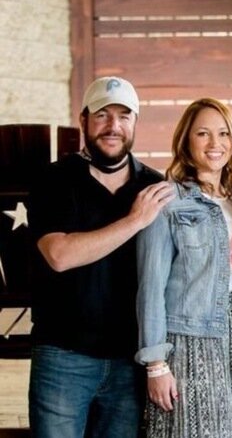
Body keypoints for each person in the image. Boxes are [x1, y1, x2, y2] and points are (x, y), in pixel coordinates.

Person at [26, 76, 174, 438]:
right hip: (63, 357)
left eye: (124, 116)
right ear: (84, 120)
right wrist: (135, 220)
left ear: (135, 122)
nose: (113, 126)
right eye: (102, 115)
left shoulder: (153, 186)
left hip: (129, 362)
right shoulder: (55, 179)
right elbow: (59, 254)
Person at [135, 98, 232, 438]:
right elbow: (150, 286)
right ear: (186, 141)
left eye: (224, 133)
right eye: (203, 133)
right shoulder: (166, 200)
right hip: (189, 339)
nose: (214, 143)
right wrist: (156, 365)